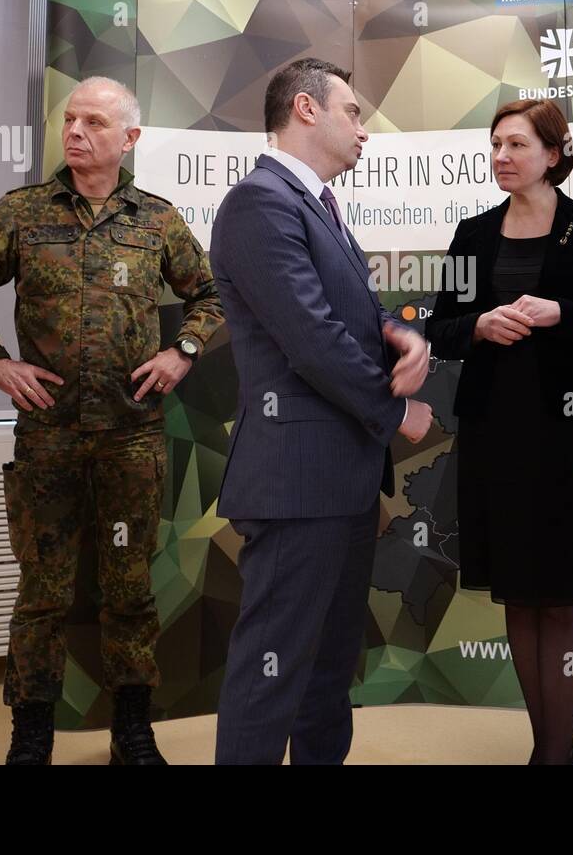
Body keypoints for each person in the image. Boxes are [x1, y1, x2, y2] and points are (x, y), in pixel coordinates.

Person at [0, 76, 224, 765]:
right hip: (47, 438)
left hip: (131, 437)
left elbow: (210, 294)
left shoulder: (157, 220)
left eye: (94, 121)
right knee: (42, 593)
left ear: (129, 139)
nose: (76, 130)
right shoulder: (22, 213)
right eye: (71, 118)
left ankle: (132, 729)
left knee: (128, 588)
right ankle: (31, 733)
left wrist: (185, 350)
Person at [210, 57, 432, 764]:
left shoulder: (315, 205)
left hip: (340, 483)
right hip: (296, 484)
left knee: (326, 675)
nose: (363, 128)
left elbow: (337, 321)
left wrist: (396, 335)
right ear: (306, 109)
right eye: (354, 111)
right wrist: (393, 412)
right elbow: (308, 338)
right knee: (270, 675)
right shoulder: (260, 201)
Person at [426, 98, 573, 764]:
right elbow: (440, 328)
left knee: (561, 594)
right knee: (518, 591)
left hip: (571, 442)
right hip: (495, 436)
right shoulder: (473, 233)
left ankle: (553, 751)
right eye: (495, 146)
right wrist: (480, 324)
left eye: (516, 144)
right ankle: (550, 747)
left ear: (554, 153)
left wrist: (561, 312)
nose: (502, 158)